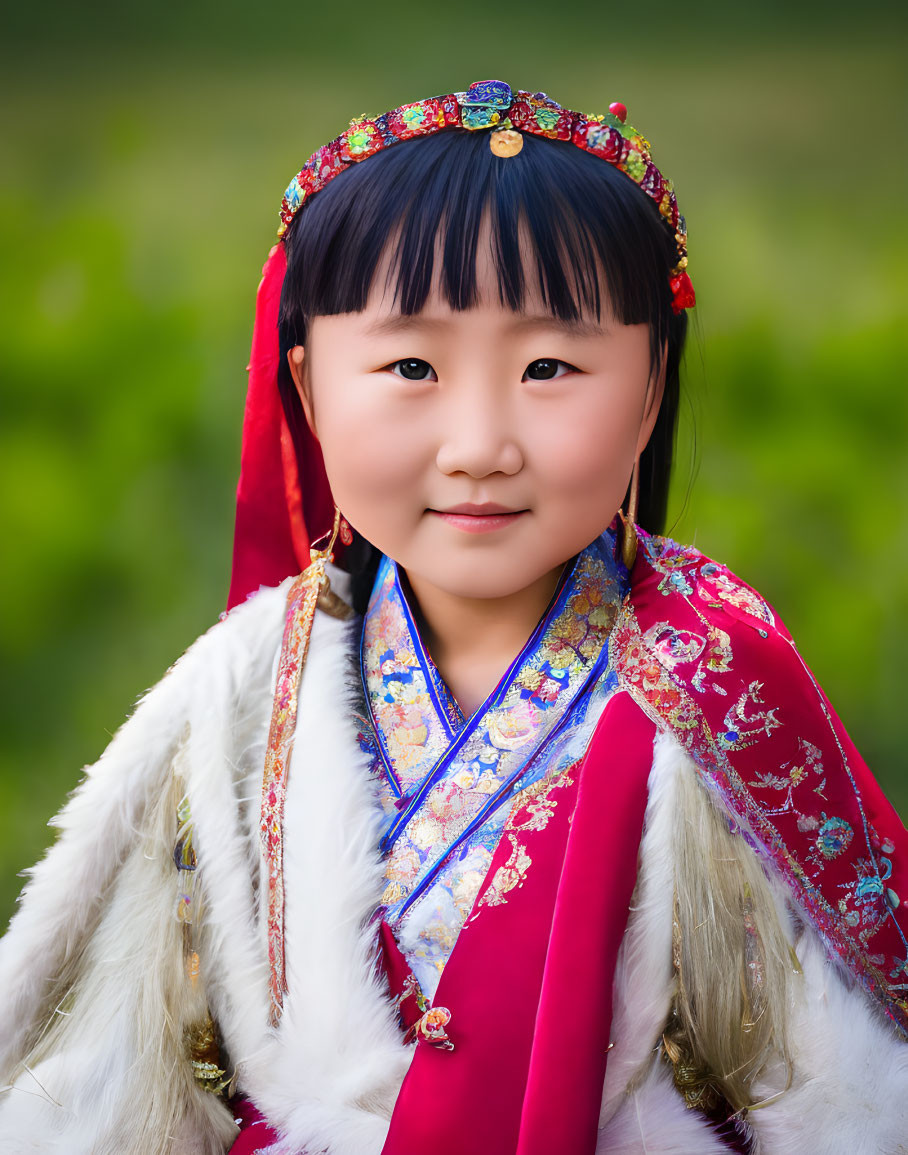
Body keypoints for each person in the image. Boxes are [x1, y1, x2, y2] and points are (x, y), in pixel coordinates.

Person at [0, 78, 906, 1154]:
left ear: (652, 385)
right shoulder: (238, 693)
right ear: (307, 386)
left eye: (549, 367)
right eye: (411, 366)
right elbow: (121, 1073)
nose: (478, 442)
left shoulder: (710, 677)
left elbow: (833, 1088)